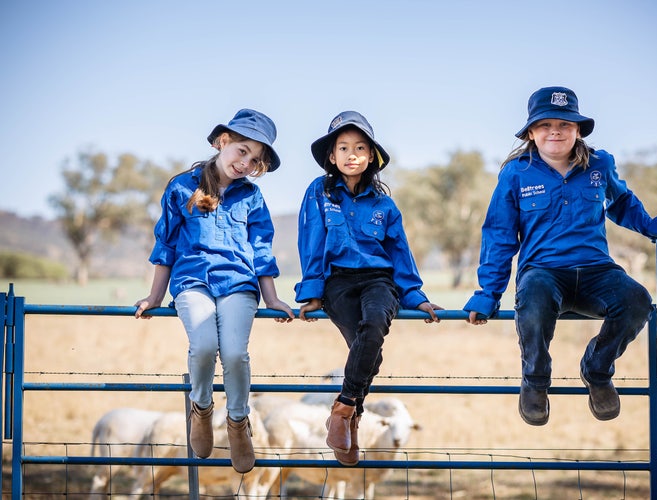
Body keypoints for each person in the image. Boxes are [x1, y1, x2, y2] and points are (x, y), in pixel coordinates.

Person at [464, 87, 657, 426]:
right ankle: (534, 381)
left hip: (596, 272)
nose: (555, 132)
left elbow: (620, 203)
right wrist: (488, 294)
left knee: (637, 300)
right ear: (531, 132)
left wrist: (649, 226)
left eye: (565, 124)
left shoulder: (600, 164)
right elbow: (499, 235)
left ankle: (597, 370)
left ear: (578, 130)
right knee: (532, 301)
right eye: (545, 125)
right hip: (543, 273)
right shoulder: (516, 173)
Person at [134, 108, 294, 473]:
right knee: (204, 345)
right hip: (193, 282)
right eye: (241, 151)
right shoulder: (181, 187)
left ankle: (238, 422)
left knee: (236, 353)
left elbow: (260, 249)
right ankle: (201, 409)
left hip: (239, 284)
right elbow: (166, 246)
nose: (245, 163)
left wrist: (271, 298)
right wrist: (155, 297)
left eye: (255, 160)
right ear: (223, 141)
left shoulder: (251, 197)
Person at [295, 111, 442, 465]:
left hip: (379, 280)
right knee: (368, 353)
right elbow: (311, 241)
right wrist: (312, 290)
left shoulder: (385, 204)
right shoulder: (319, 193)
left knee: (374, 324)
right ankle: (354, 422)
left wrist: (415, 297)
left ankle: (343, 411)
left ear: (371, 157)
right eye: (343, 147)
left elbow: (399, 252)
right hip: (338, 282)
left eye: (360, 148)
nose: (351, 154)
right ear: (331, 156)